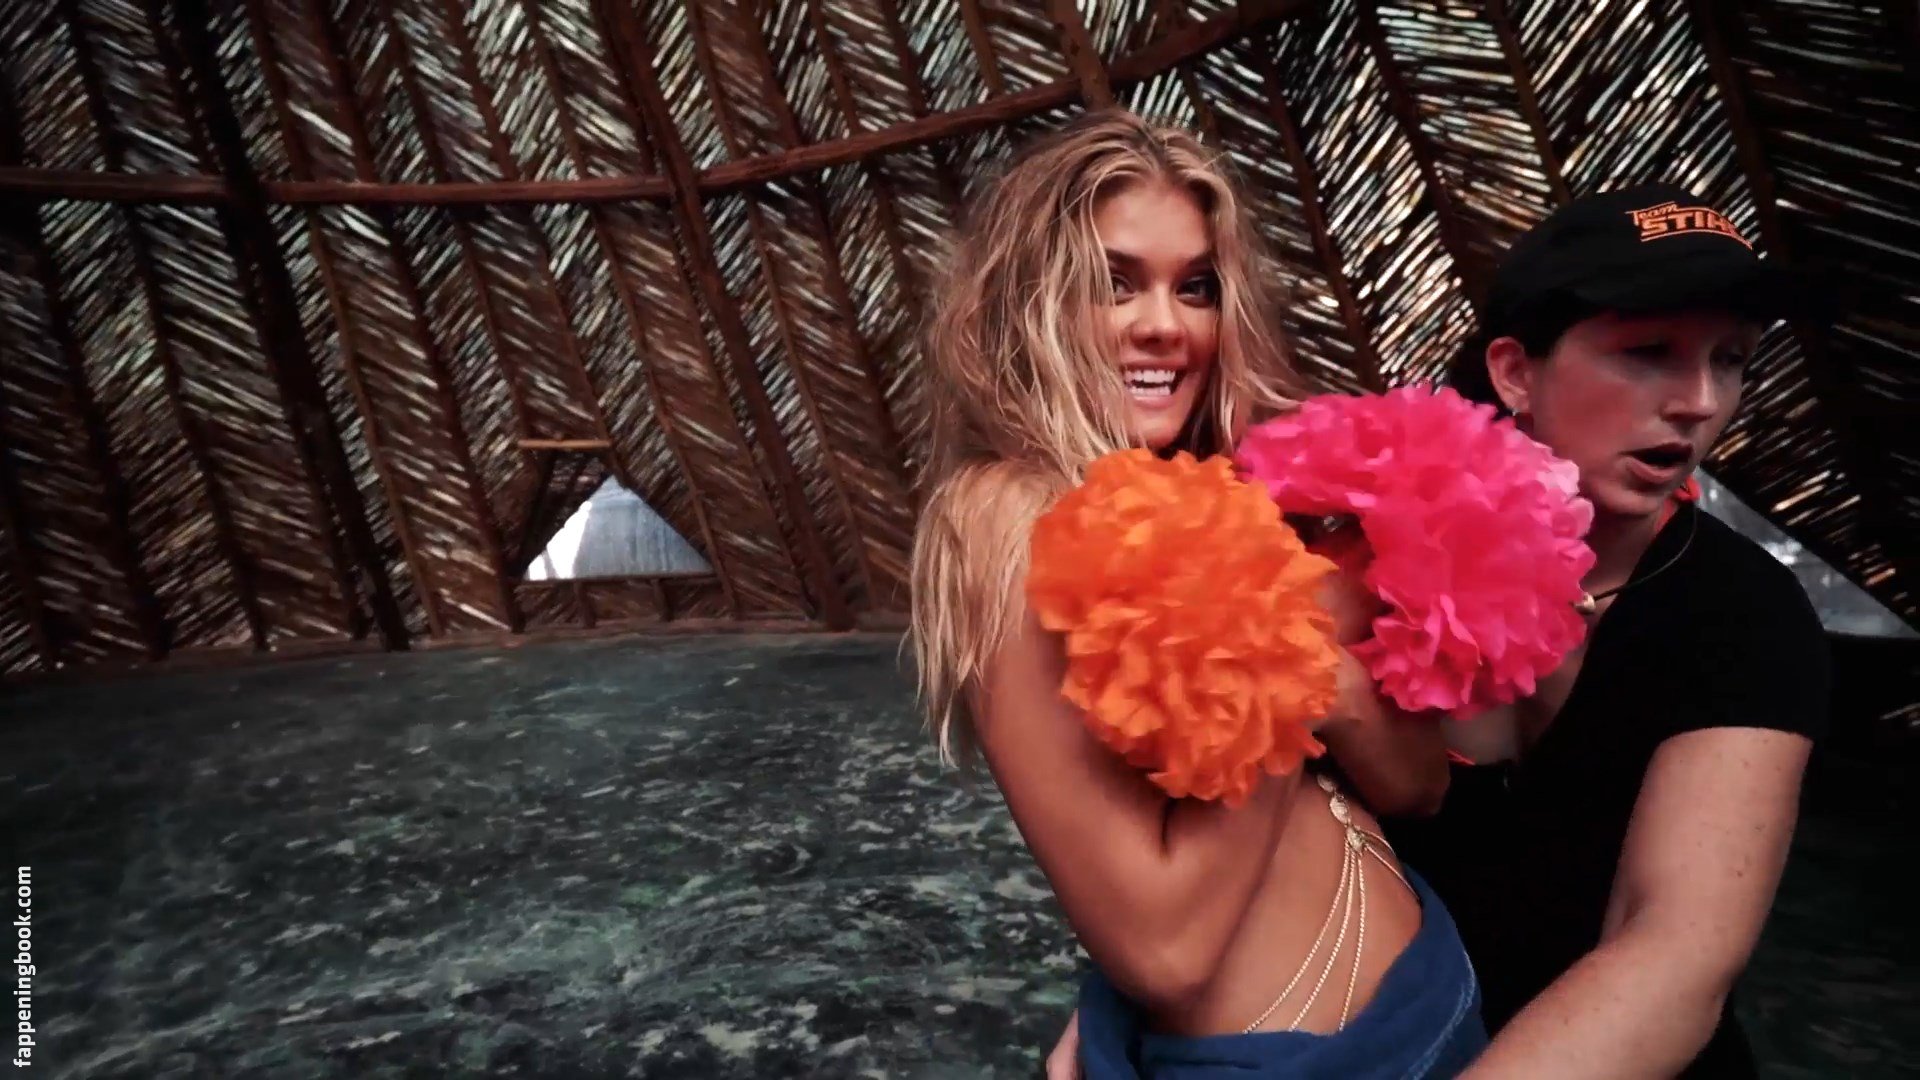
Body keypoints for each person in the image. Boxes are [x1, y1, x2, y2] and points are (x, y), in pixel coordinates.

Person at [1046, 183, 1834, 1078]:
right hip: (1377, 1045)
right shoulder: (1351, 530)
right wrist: (1126, 1005)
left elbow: (1675, 956)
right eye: (1648, 353)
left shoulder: (1747, 614)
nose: (1698, 401)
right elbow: (1232, 806)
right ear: (1515, 372)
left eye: (1730, 361)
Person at [910, 109, 1486, 1078]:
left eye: (1196, 287)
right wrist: (1289, 648)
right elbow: (1164, 954)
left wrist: (1324, 671)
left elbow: (1419, 788)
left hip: (1433, 992)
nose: (1165, 326)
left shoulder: (1220, 490)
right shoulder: (1010, 519)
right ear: (1027, 304)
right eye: (1113, 283)